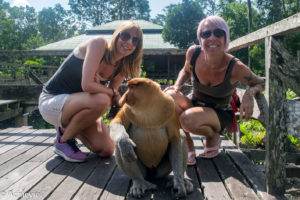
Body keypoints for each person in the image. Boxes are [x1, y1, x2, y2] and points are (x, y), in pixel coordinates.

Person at [164, 16, 264, 165]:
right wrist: (177, 86)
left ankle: (213, 135)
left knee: (186, 119)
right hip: (196, 103)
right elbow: (186, 71)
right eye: (206, 34)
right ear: (200, 38)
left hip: (219, 112)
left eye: (218, 33)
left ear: (226, 38)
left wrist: (249, 93)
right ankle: (189, 145)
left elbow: (261, 82)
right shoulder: (194, 53)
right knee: (168, 96)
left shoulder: (236, 67)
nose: (212, 38)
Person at [38, 20, 143, 162]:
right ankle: (63, 141)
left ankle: (69, 128)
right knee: (101, 99)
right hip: (51, 101)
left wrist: (132, 102)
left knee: (107, 149)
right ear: (117, 36)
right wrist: (111, 92)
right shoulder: (98, 44)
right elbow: (87, 85)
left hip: (79, 107)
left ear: (137, 46)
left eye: (135, 40)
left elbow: (114, 100)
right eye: (125, 36)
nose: (129, 42)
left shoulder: (122, 67)